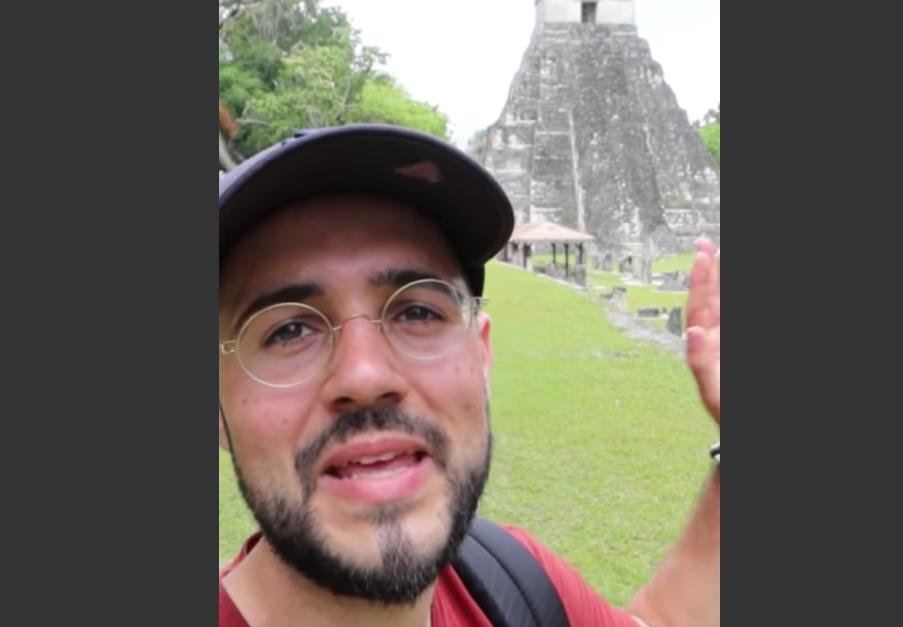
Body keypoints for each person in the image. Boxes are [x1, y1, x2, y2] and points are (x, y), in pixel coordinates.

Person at [218, 125, 720, 627]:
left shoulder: (511, 586)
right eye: (287, 330)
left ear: (481, 356)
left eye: (417, 312)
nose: (366, 375)